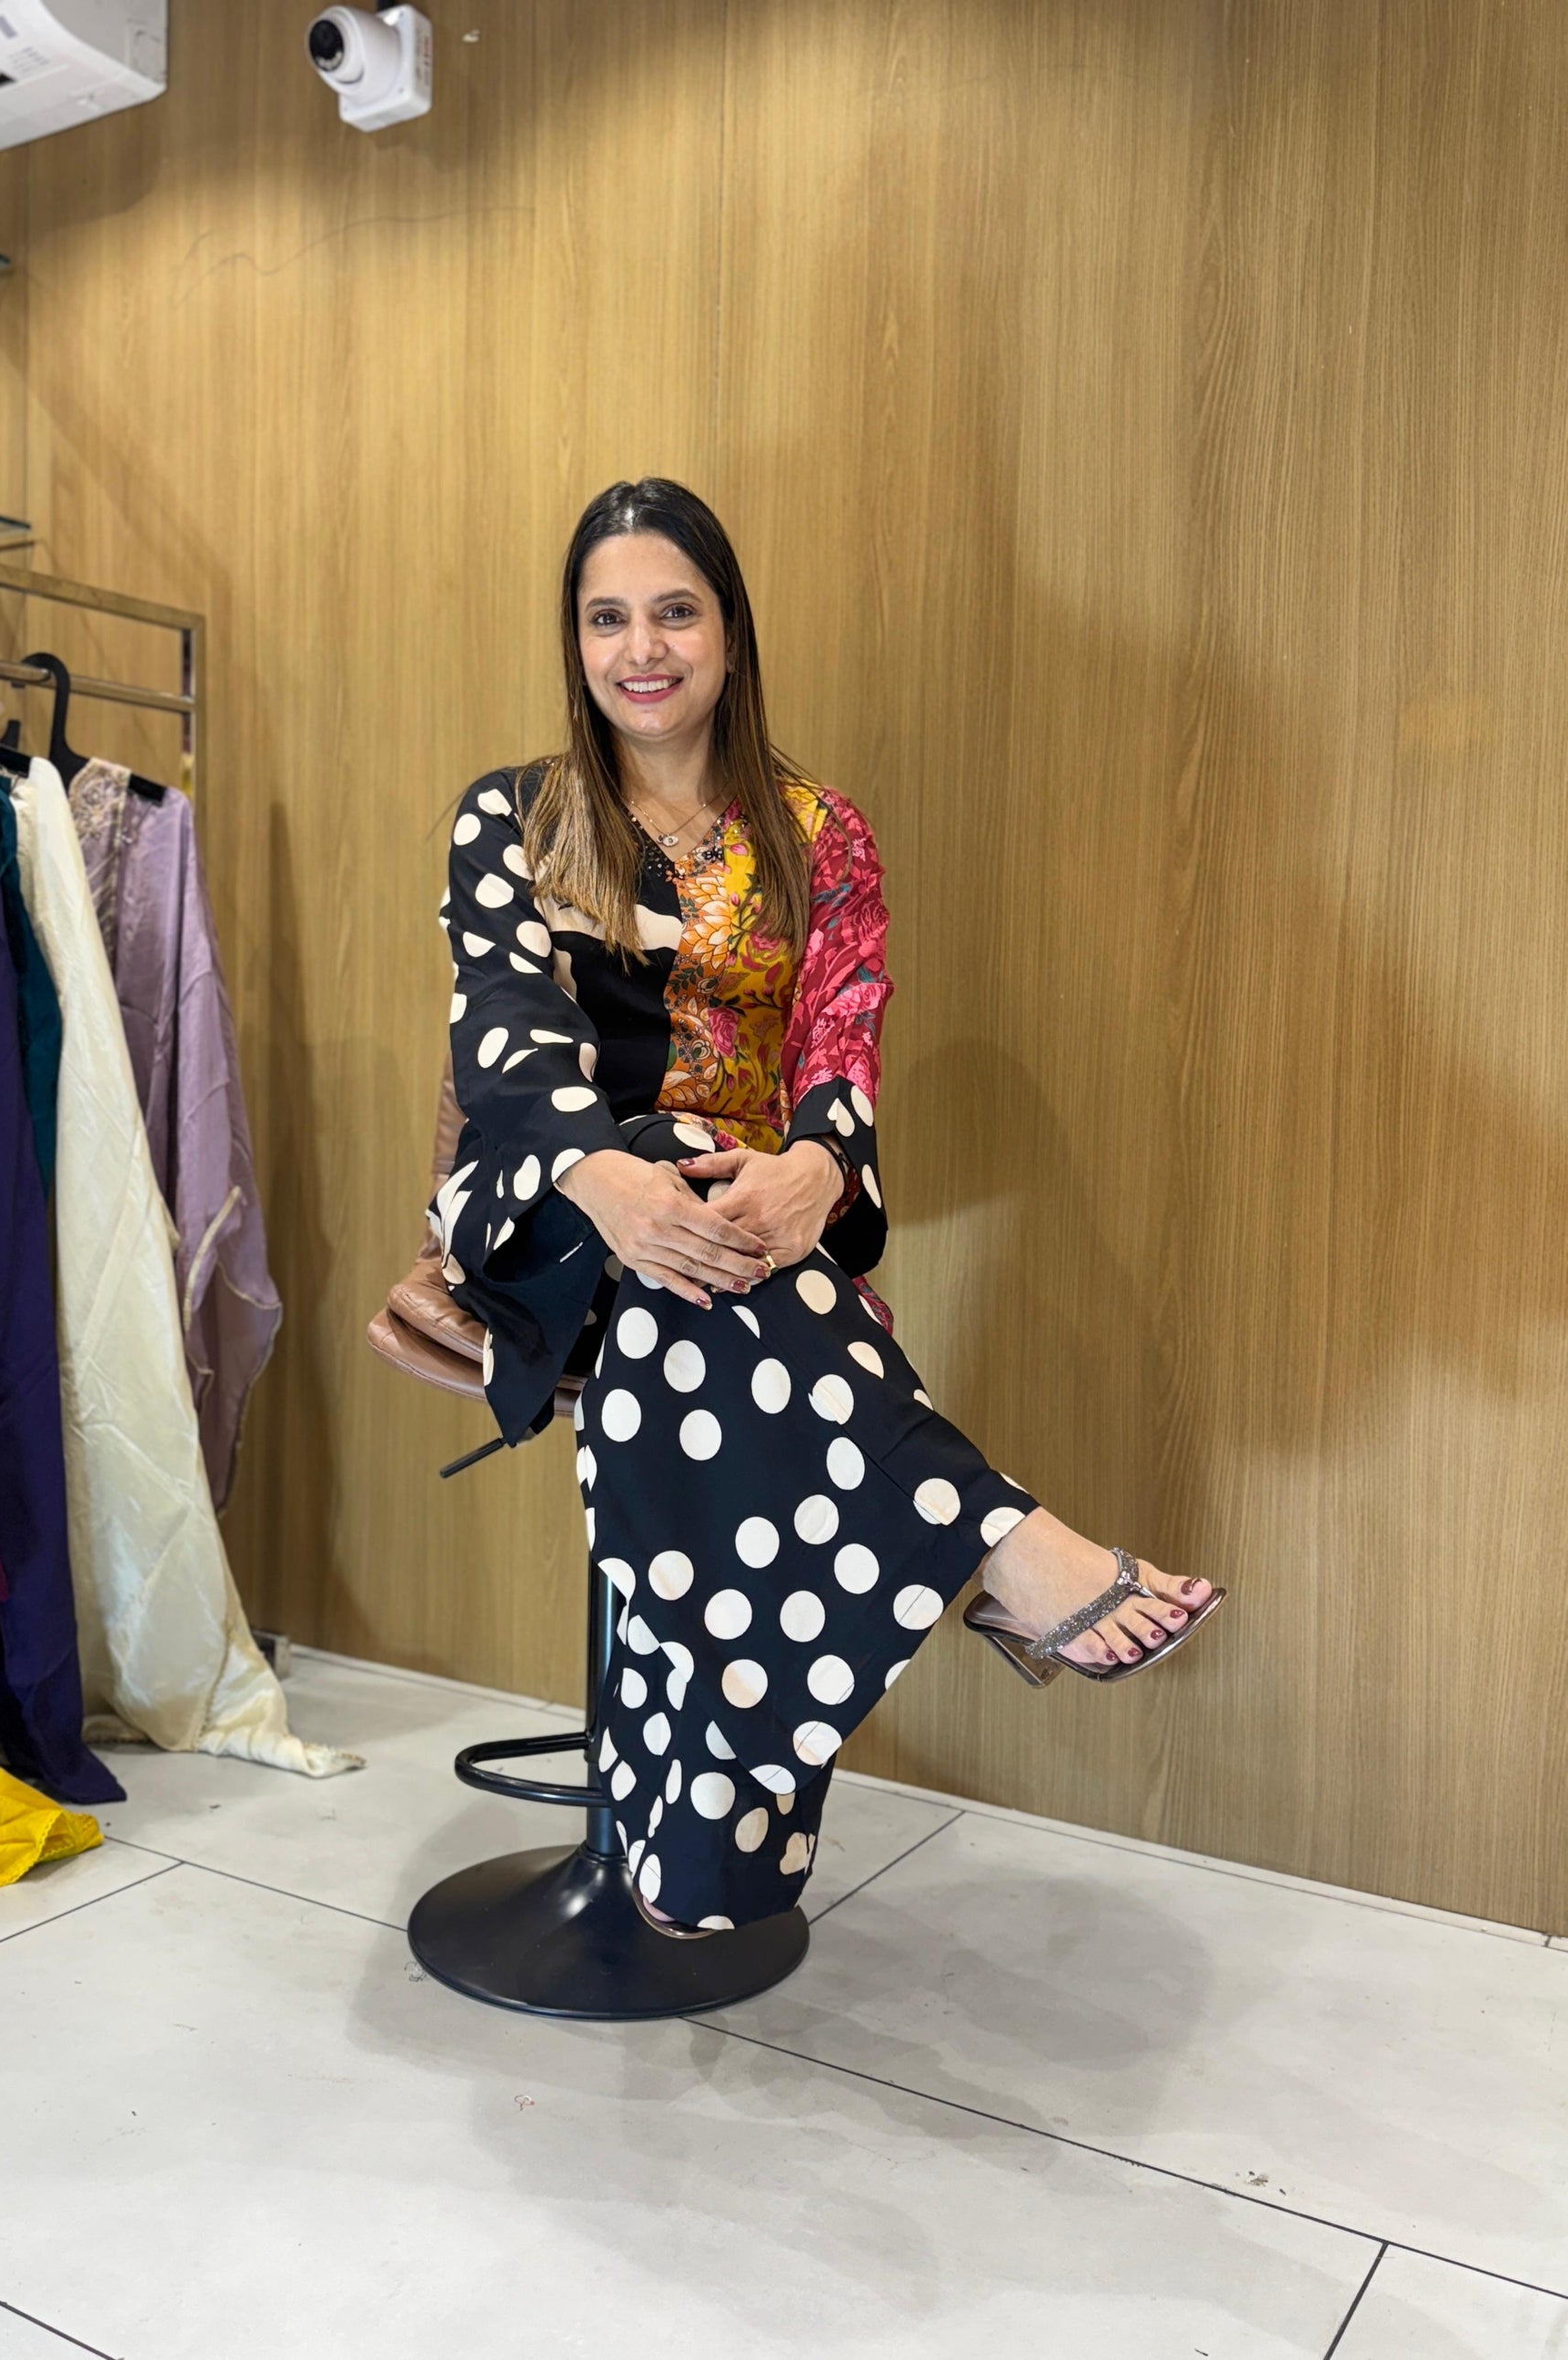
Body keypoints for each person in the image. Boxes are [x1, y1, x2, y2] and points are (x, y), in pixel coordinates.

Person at [433, 477, 1223, 1936]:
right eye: (605, 618)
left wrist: (814, 1167)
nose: (639, 648)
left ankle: (693, 1860)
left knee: (695, 1322)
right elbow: (503, 1038)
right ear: (574, 641)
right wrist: (611, 1180)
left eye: (674, 611)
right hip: (543, 1200)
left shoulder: (817, 831)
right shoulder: (514, 814)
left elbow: (838, 1046)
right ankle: (988, 1539)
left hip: (745, 1237)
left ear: (730, 632)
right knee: (679, 1179)